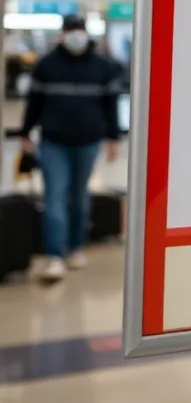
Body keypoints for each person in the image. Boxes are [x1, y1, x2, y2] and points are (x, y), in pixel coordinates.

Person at [19, 15, 121, 283]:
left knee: (78, 197)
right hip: (54, 141)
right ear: (63, 34)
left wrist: (113, 138)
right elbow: (34, 102)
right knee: (54, 195)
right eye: (70, 30)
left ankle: (76, 247)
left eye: (79, 30)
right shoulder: (47, 66)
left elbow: (110, 107)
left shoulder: (102, 67)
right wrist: (25, 132)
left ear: (86, 34)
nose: (75, 35)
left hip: (88, 141)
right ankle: (56, 255)